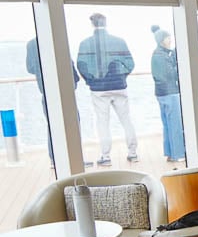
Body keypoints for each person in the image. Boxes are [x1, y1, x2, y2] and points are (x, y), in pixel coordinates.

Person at [75, 12, 137, 166]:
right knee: (126, 119)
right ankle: (133, 153)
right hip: (119, 85)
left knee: (103, 122)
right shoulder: (119, 41)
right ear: (106, 22)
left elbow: (81, 65)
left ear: (92, 24)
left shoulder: (85, 43)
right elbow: (130, 63)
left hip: (99, 89)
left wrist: (91, 80)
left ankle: (106, 156)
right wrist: (122, 76)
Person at [26, 37, 79, 167]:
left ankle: (54, 159)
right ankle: (77, 158)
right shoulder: (59, 39)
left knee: (52, 125)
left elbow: (31, 68)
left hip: (47, 91)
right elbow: (69, 63)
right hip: (65, 91)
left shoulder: (32, 44)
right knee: (73, 122)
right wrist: (75, 81)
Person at [149, 26, 185, 162]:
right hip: (170, 92)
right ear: (161, 40)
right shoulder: (162, 56)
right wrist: (178, 66)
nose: (170, 40)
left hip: (161, 93)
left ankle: (170, 152)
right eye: (167, 38)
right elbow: (171, 75)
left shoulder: (157, 54)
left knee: (167, 124)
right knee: (175, 123)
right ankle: (179, 154)